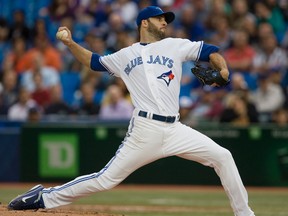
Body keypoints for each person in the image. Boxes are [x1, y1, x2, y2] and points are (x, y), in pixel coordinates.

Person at [8, 6, 255, 216]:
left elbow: (211, 52)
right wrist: (71, 43)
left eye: (166, 20)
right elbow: (94, 62)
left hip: (175, 129)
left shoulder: (174, 45)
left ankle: (245, 214)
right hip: (145, 129)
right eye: (161, 19)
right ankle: (44, 197)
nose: (164, 22)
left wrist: (223, 72)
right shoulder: (126, 55)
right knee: (106, 180)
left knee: (223, 156)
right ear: (145, 22)